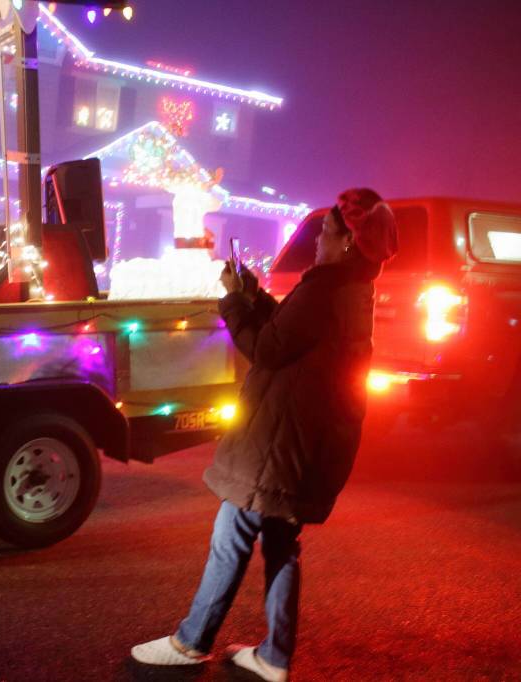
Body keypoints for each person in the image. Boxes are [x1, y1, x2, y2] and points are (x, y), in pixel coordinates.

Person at [131, 189, 398, 681]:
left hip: (279, 442)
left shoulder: (325, 289)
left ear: (346, 244)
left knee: (230, 536)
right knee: (280, 541)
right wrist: (255, 295)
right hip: (304, 441)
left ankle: (191, 642)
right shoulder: (351, 288)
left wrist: (233, 300)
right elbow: (289, 331)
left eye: (327, 232)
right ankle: (274, 657)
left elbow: (269, 347)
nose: (318, 239)